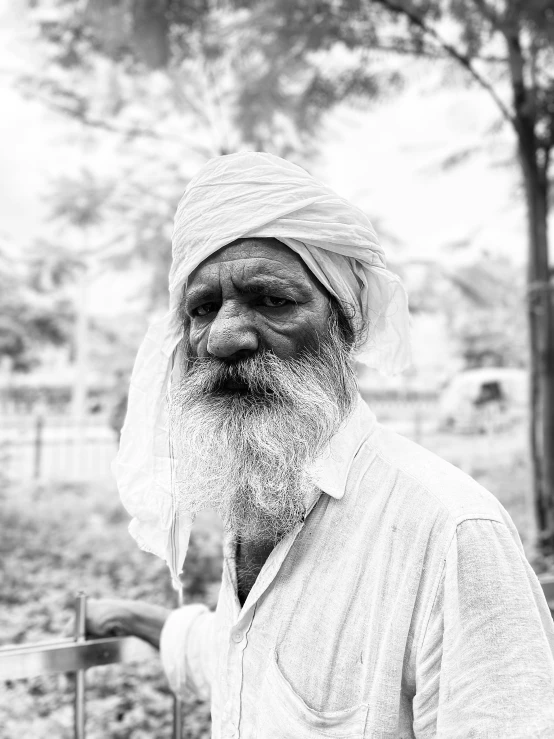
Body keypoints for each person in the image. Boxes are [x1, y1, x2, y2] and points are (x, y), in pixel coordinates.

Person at [87, 152, 554, 738]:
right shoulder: (261, 492)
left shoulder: (451, 535)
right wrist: (138, 618)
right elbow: (254, 664)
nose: (226, 335)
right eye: (203, 308)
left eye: (272, 300)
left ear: (344, 325)